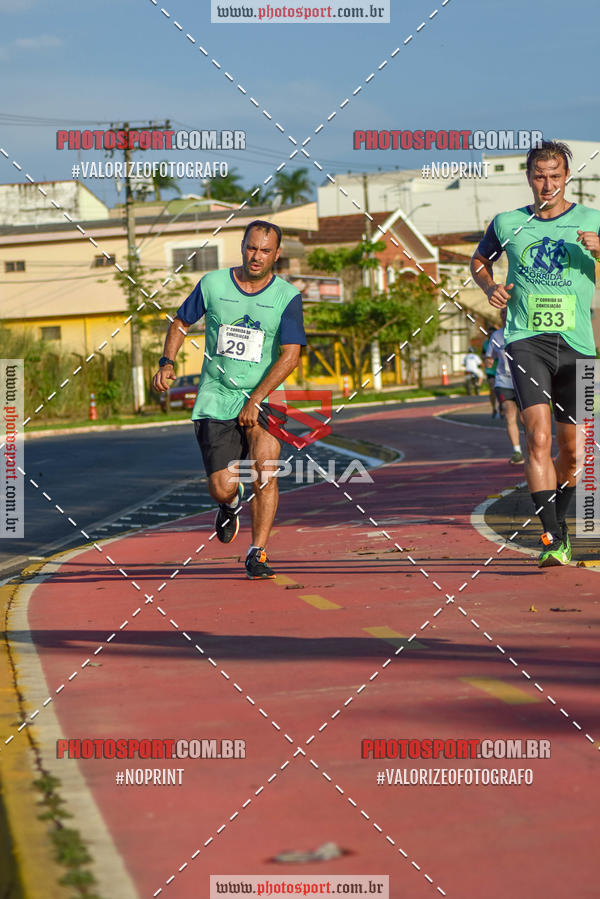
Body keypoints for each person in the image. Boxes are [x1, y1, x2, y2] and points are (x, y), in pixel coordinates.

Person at [470, 139, 600, 567]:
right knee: (538, 439)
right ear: (529, 177)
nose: (547, 184)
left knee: (576, 452)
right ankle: (550, 537)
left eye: (555, 176)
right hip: (527, 339)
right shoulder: (508, 223)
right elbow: (478, 260)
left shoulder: (592, 220)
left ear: (567, 178)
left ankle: (558, 523)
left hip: (579, 346)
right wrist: (490, 287)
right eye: (539, 176)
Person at [152, 220, 306, 579]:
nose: (257, 256)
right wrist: (167, 361)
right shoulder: (213, 284)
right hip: (217, 396)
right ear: (242, 246)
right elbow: (180, 322)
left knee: (265, 471)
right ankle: (230, 504)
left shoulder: (287, 296)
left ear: (277, 255)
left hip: (265, 395)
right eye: (252, 248)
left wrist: (256, 398)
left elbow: (290, 355)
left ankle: (259, 552)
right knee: (222, 486)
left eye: (265, 251)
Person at [485, 309, 524, 465]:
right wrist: (488, 363)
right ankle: (517, 451)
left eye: (508, 311)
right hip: (503, 382)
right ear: (499, 316)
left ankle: (534, 448)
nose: (505, 314)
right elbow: (489, 357)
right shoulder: (496, 336)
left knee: (525, 418)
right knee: (509, 414)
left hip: (522, 381)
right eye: (502, 312)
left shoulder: (523, 332)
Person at [482, 327, 499, 417]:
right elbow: (483, 354)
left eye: (492, 333)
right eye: (489, 333)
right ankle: (494, 408)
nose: (490, 335)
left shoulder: (499, 341)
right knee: (492, 389)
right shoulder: (485, 344)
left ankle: (502, 406)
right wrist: (488, 357)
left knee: (500, 390)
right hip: (490, 371)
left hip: (500, 370)